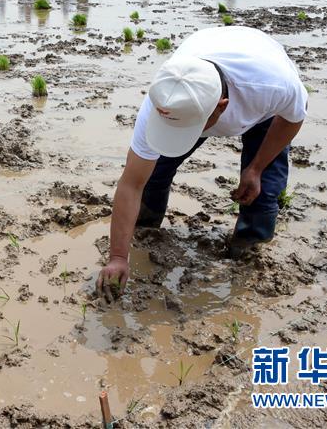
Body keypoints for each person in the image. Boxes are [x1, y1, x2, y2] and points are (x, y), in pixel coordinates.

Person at [95, 26, 309, 300]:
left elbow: (294, 117)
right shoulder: (165, 98)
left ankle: (248, 249)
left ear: (221, 107)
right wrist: (118, 256)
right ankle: (146, 228)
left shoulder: (271, 87)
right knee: (153, 174)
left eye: (185, 129)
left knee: (263, 190)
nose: (176, 136)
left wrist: (256, 168)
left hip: (261, 103)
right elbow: (132, 183)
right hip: (205, 58)